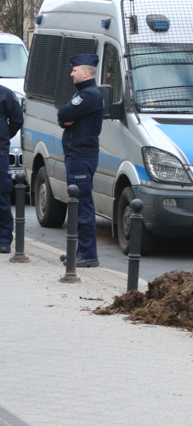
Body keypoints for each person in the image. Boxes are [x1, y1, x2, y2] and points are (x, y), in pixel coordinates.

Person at [57, 53, 104, 268]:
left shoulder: (89, 95)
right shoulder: (85, 94)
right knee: (76, 204)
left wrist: (68, 118)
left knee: (83, 205)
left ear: (86, 73)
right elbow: (63, 118)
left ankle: (88, 254)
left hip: (81, 156)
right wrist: (66, 119)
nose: (71, 74)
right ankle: (79, 251)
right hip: (78, 155)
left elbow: (64, 112)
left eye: (74, 70)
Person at [0, 83, 24, 254]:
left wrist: (4, 136)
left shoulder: (5, 94)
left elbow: (17, 120)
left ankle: (4, 239)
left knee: (2, 196)